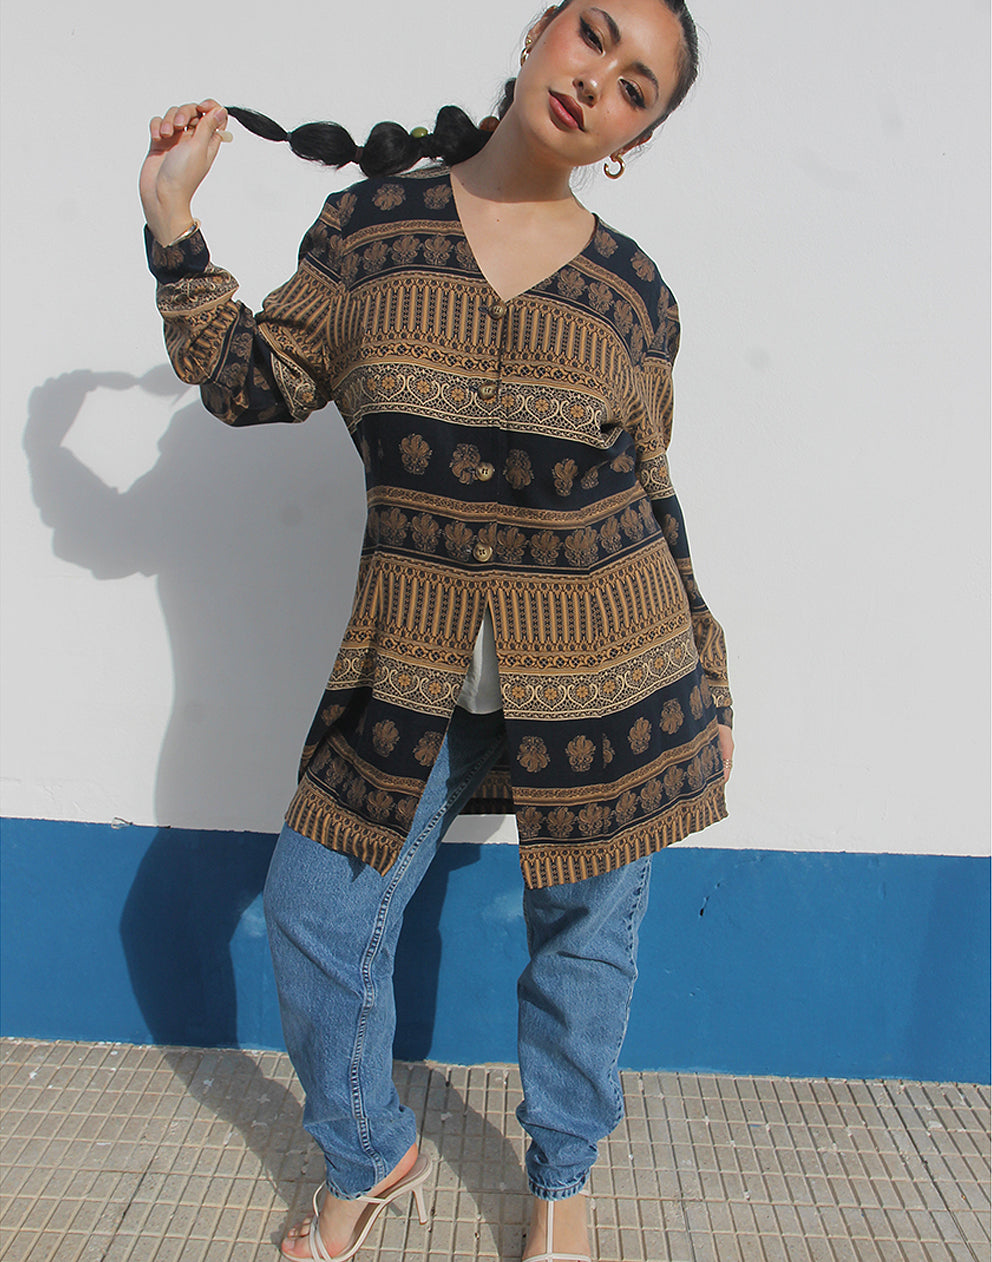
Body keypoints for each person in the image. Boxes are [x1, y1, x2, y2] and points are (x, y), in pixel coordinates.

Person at [140, 1, 734, 1257]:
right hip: (409, 660)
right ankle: (372, 1150)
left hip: (612, 673)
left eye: (636, 88)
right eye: (592, 34)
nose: (598, 81)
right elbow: (250, 381)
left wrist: (711, 682)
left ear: (632, 140)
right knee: (315, 908)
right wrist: (173, 220)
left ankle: (562, 1182)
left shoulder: (632, 290)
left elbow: (651, 491)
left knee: (583, 945)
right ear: (537, 33)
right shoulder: (369, 231)